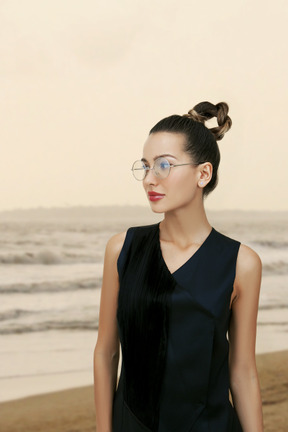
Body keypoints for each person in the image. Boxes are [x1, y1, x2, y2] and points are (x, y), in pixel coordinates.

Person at [93, 101, 263, 432]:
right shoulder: (122, 250)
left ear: (204, 173)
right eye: (145, 166)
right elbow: (105, 353)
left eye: (164, 166)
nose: (149, 179)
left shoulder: (242, 263)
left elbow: (242, 370)